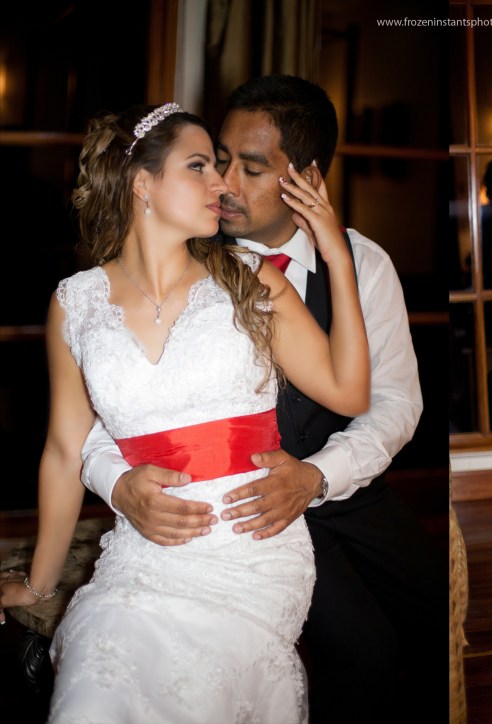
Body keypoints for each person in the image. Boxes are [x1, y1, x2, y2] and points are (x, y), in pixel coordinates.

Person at [76, 76, 441, 720]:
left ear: (306, 175)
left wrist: (318, 475)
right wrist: (115, 481)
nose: (227, 184)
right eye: (218, 159)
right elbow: (111, 398)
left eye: (250, 167)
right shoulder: (186, 257)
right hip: (242, 510)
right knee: (364, 656)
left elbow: (393, 403)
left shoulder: (363, 262)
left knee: (434, 626)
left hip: (344, 486)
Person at [0, 101, 369, 722]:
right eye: (199, 166)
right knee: (97, 679)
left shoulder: (250, 280)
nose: (222, 184)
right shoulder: (77, 302)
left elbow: (349, 393)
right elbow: (66, 451)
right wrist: (38, 586)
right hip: (142, 554)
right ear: (142, 184)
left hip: (253, 548)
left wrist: (334, 253)